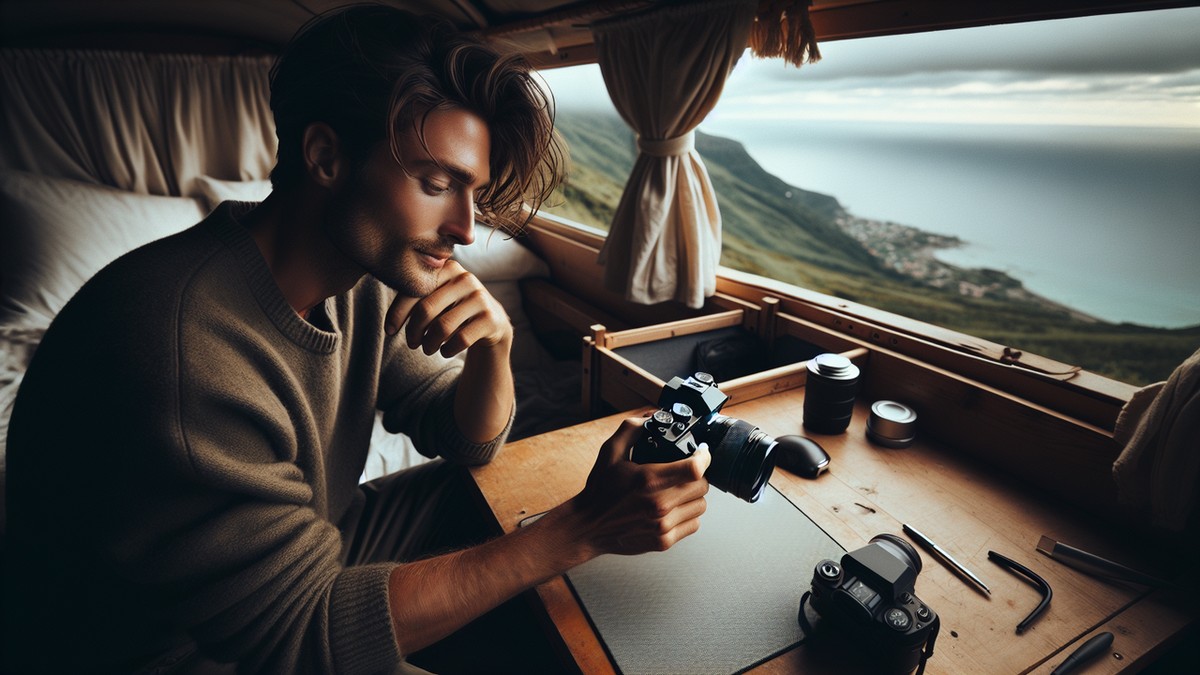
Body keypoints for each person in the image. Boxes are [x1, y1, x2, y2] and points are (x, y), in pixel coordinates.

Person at [2, 6, 711, 674]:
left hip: (323, 540)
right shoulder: (178, 350)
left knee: (513, 488)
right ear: (325, 156)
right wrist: (577, 530)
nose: (467, 228)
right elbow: (301, 631)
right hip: (173, 649)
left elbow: (466, 441)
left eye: (474, 193)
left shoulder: (362, 279)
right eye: (437, 183)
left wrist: (494, 345)